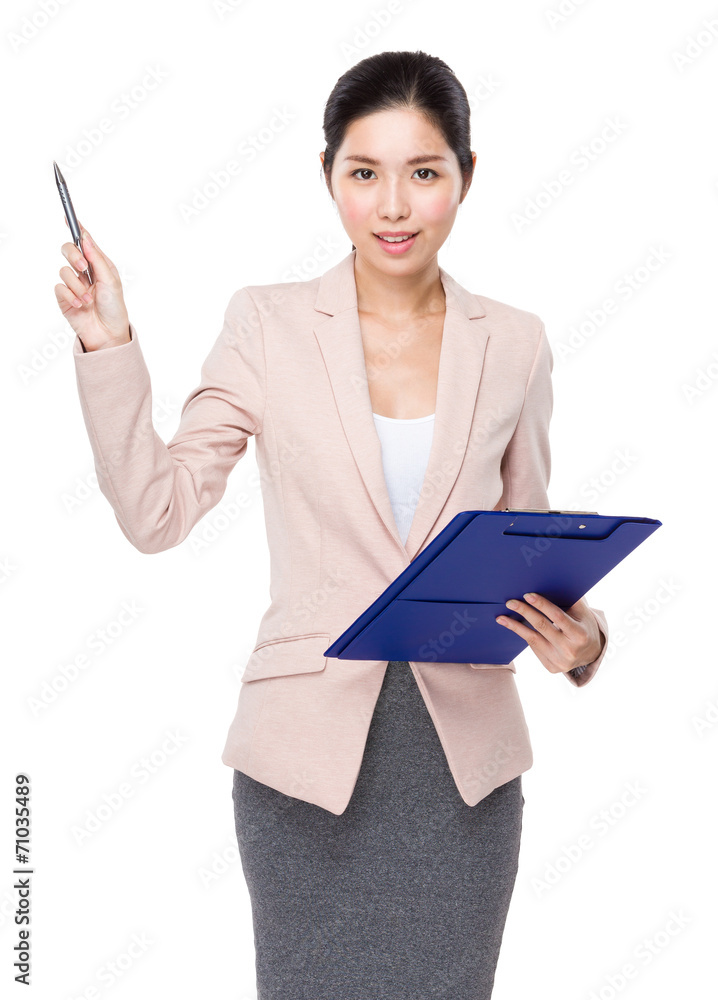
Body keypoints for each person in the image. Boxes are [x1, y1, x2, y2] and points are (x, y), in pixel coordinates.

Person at [56, 49, 608, 1000]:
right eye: (365, 174)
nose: (393, 206)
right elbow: (157, 512)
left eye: (424, 173)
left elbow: (534, 541)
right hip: (303, 770)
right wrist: (108, 343)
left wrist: (584, 640)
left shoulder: (514, 343)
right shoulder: (266, 325)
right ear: (329, 179)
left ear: (466, 181)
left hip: (465, 777)